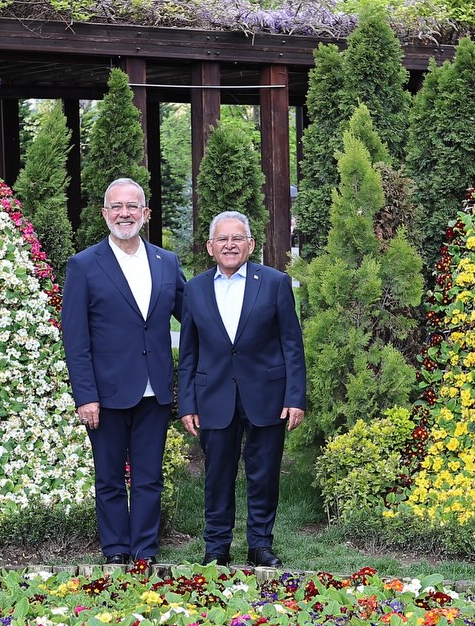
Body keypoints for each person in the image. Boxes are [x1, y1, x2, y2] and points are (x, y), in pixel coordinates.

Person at [61, 177, 185, 565]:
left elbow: (193, 318)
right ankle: (115, 551)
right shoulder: (83, 265)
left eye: (132, 206)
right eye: (116, 207)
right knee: (110, 479)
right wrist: (86, 396)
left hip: (155, 392)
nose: (124, 213)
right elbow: (76, 339)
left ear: (145, 214)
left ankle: (145, 550)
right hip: (107, 393)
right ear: (104, 214)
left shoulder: (167, 262)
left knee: (149, 479)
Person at [178, 211, 306, 568]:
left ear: (251, 245)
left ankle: (260, 545)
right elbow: (189, 351)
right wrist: (187, 402)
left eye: (237, 238)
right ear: (210, 247)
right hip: (213, 396)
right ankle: (217, 547)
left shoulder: (276, 282)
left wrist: (295, 397)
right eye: (222, 239)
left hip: (268, 396)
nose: (230, 245)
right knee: (217, 475)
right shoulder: (195, 288)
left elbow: (292, 346)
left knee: (263, 474)